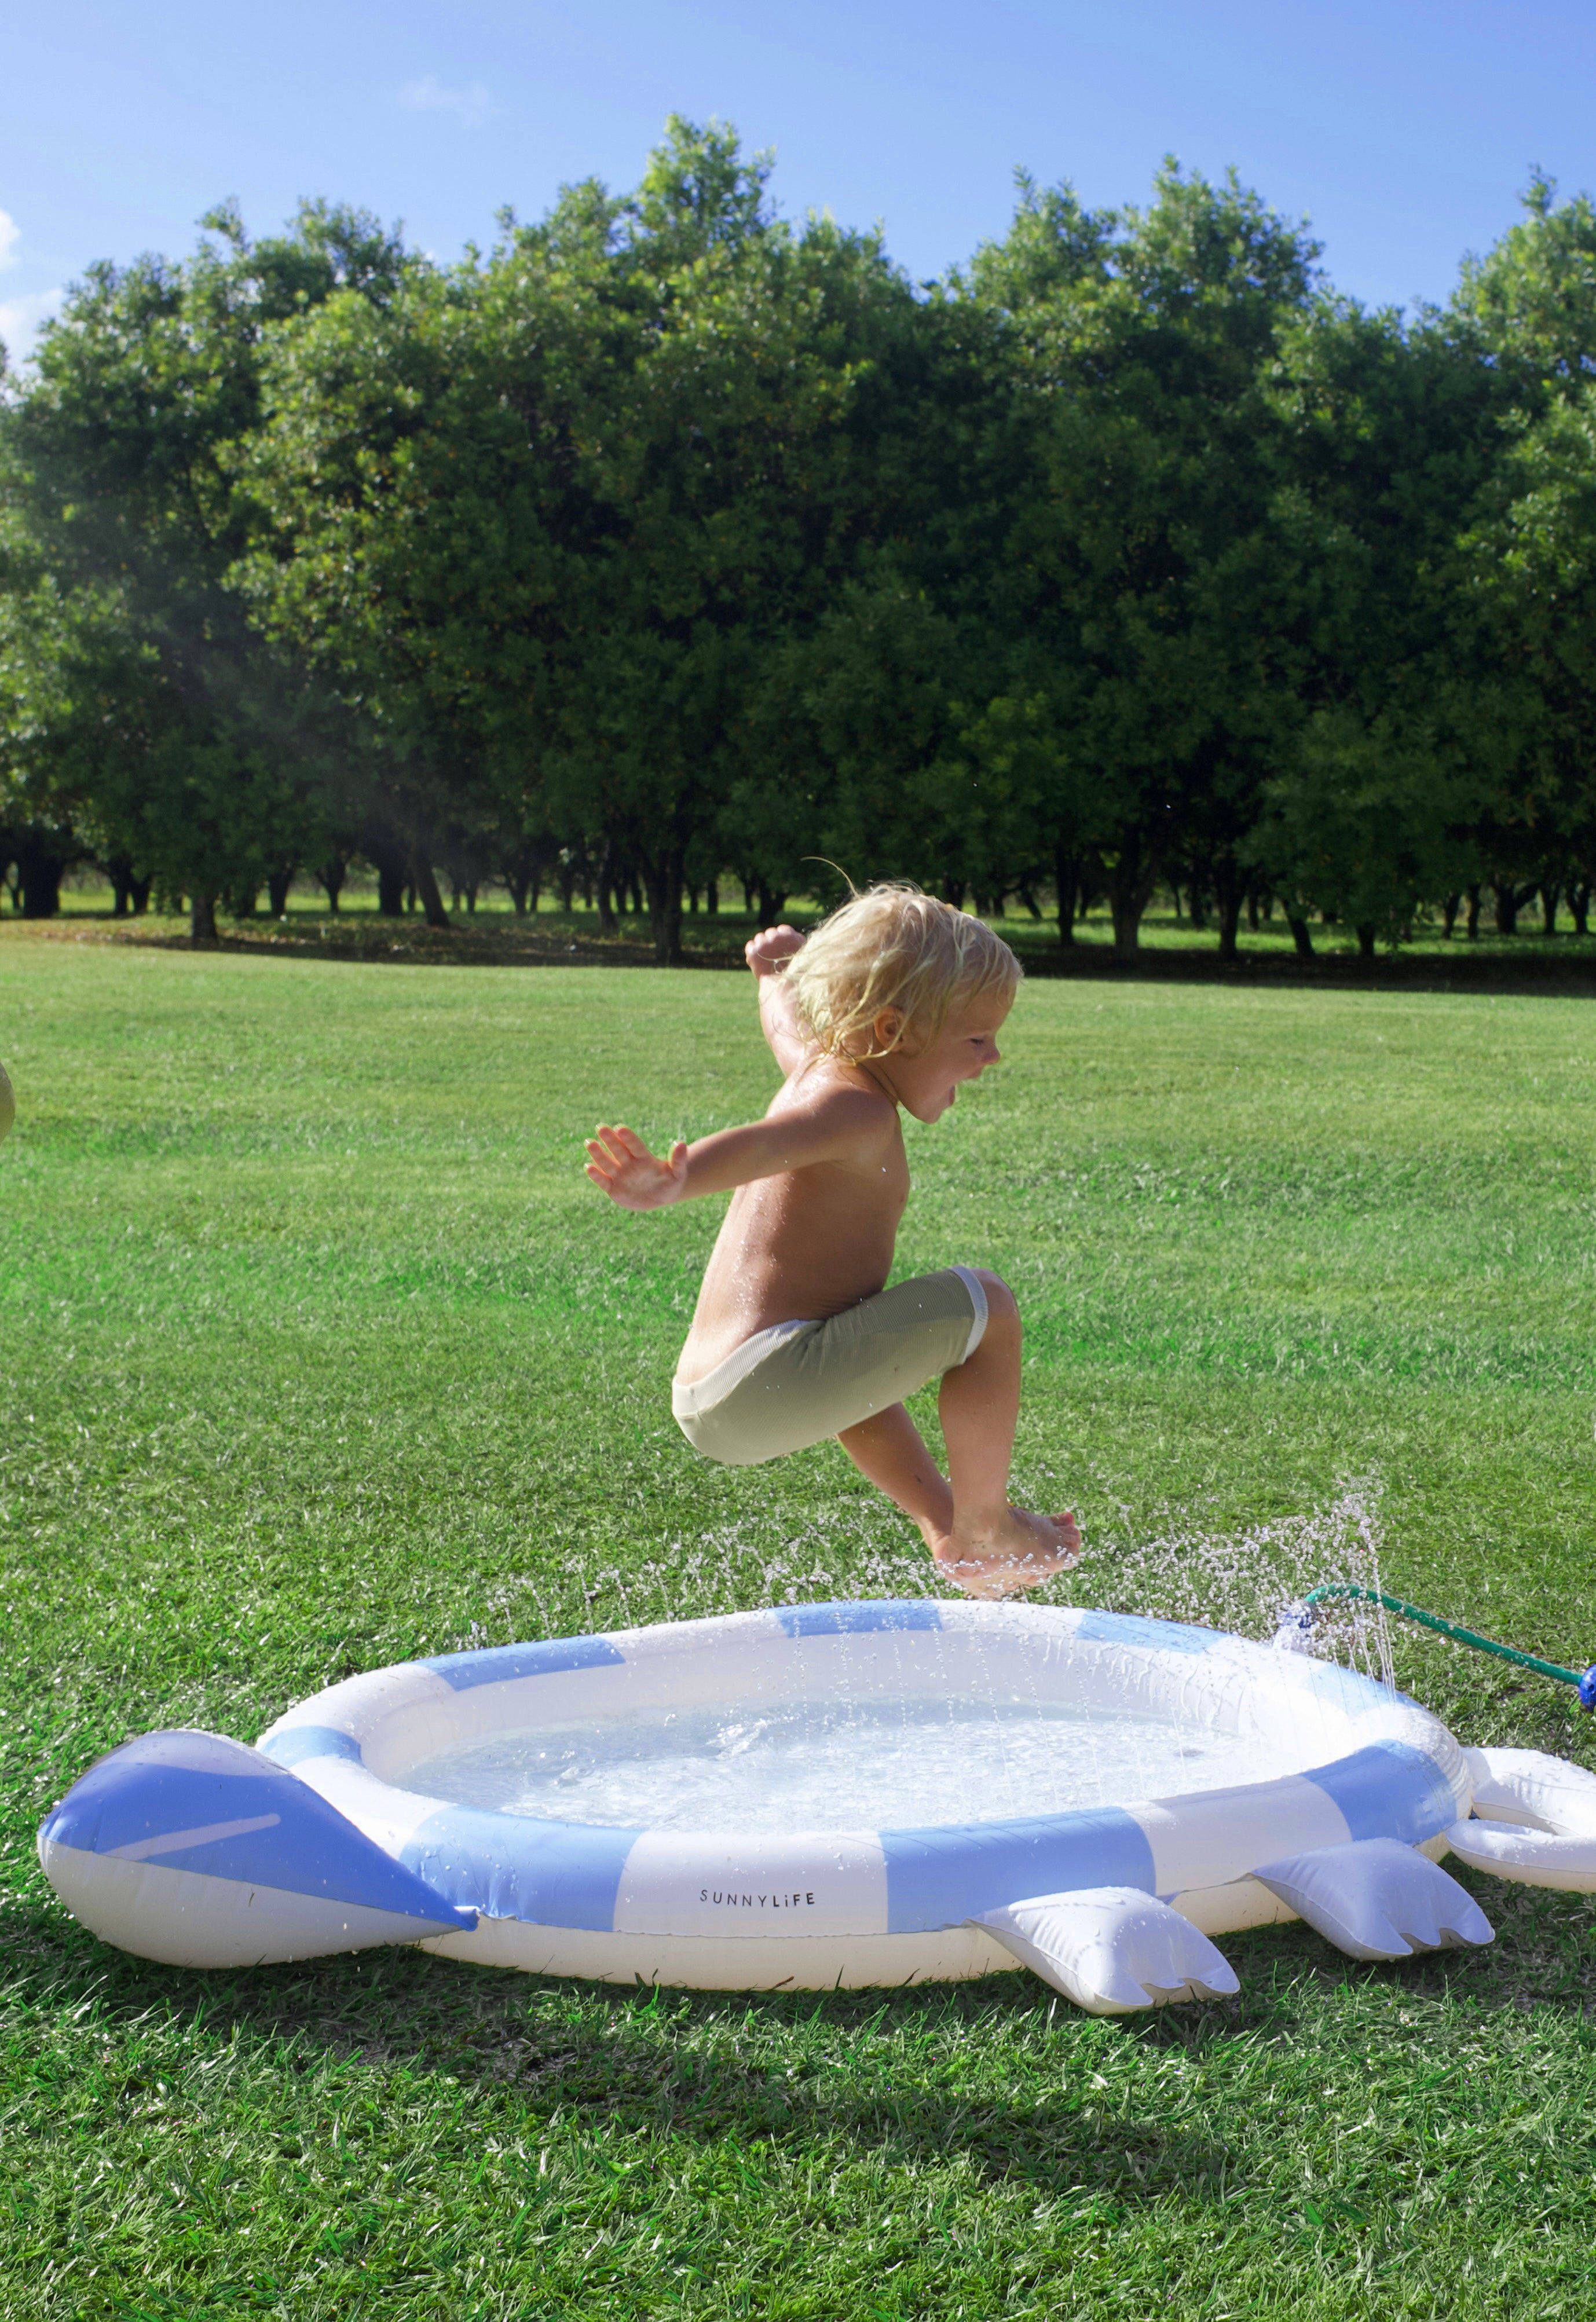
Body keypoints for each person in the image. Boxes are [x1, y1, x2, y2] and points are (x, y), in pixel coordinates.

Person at [584, 883, 1080, 1597]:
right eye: (974, 1039)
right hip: (761, 1375)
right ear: (889, 1029)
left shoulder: (827, 1073)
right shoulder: (854, 1108)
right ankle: (984, 1526)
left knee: (858, 1357)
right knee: (988, 1307)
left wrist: (771, 978)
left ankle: (946, 1529)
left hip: (719, 1390)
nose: (991, 1056)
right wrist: (676, 1179)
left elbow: (786, 1030)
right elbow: (765, 1145)